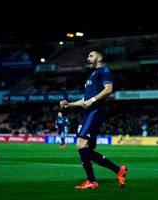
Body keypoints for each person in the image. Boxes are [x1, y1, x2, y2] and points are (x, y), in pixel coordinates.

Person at [60, 51, 127, 189]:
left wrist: (92, 100)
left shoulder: (104, 69)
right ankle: (118, 170)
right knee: (88, 151)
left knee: (80, 143)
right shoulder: (92, 75)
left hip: (94, 112)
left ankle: (91, 181)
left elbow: (109, 89)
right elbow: (85, 100)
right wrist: (70, 104)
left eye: (91, 55)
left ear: (100, 57)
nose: (88, 58)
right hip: (89, 111)